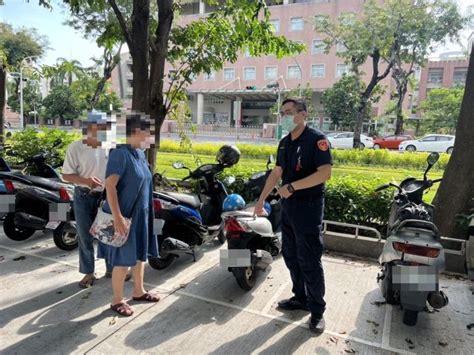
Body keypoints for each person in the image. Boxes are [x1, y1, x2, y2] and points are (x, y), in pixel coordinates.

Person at [255, 98, 332, 334]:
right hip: (288, 207)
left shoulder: (316, 140)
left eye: (289, 112)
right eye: (283, 113)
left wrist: (294, 187)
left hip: (308, 207)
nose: (285, 116)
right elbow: (277, 172)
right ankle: (301, 298)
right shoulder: (284, 142)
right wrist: (261, 201)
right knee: (290, 254)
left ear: (303, 114)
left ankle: (317, 311)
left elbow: (325, 173)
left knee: (309, 259)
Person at [98, 113, 159, 317]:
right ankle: (116, 301)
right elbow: (110, 186)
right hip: (124, 217)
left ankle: (139, 291)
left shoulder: (139, 154)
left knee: (140, 255)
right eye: (147, 132)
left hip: (141, 215)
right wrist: (117, 217)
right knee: (123, 260)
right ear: (134, 133)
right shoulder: (120, 154)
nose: (150, 136)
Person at [62, 113, 125, 288]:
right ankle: (88, 273)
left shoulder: (111, 147)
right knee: (85, 236)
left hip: (106, 196)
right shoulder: (76, 147)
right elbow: (66, 175)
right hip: (83, 196)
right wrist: (86, 181)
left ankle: (111, 268)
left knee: (108, 234)